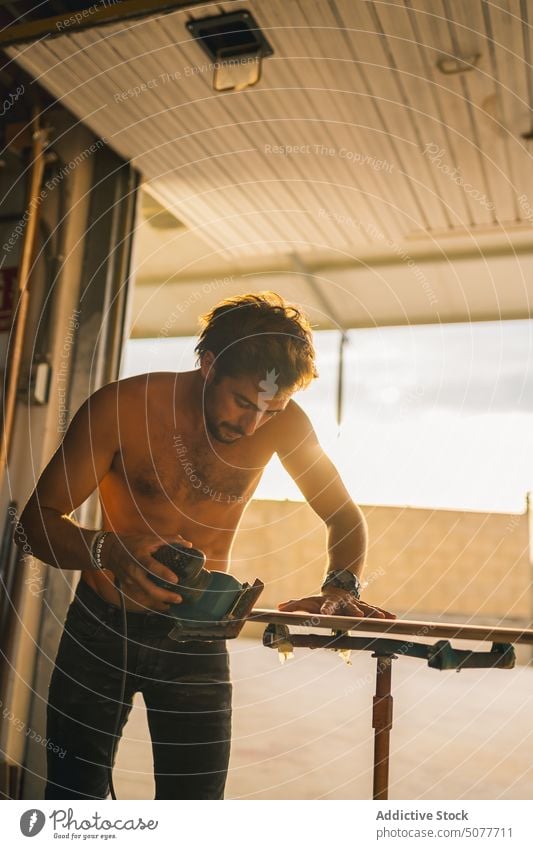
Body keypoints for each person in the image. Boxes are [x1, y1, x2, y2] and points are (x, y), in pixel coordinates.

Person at [16, 291, 394, 801]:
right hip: (102, 630)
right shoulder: (122, 408)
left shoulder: (286, 424)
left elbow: (343, 516)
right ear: (208, 364)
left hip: (199, 638)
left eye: (272, 409)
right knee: (72, 799)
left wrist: (341, 586)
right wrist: (109, 552)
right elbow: (34, 523)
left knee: (194, 809)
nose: (252, 424)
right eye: (242, 402)